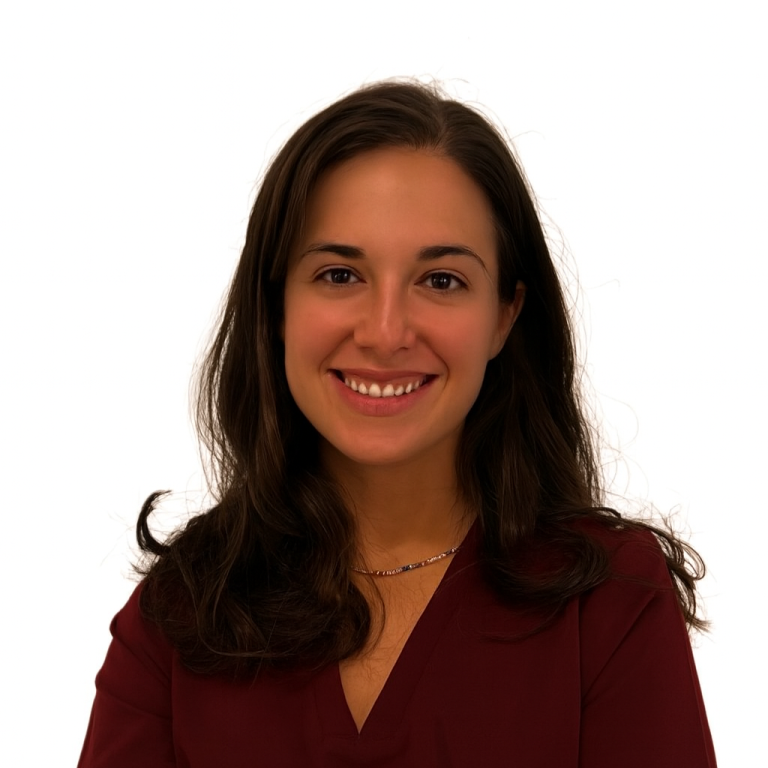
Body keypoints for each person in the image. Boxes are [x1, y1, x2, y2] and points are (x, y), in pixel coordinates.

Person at [78, 80, 717, 767]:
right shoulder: (178, 619)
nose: (385, 334)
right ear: (276, 307)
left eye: (441, 280)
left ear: (504, 315)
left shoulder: (609, 605)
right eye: (338, 275)